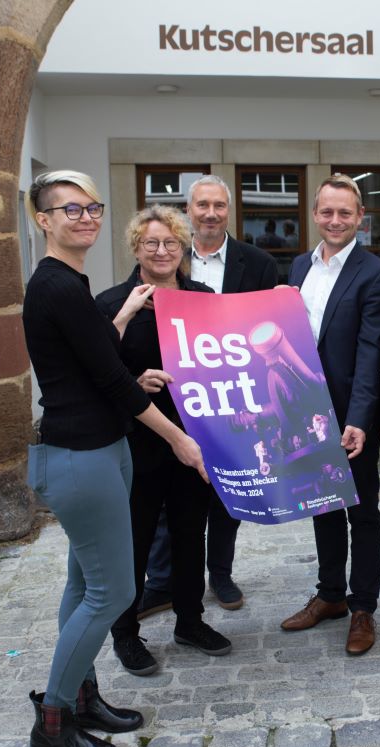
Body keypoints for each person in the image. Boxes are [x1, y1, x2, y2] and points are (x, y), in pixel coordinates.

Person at [21, 170, 206, 747]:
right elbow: (111, 380)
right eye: (68, 209)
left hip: (99, 450)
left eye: (91, 207)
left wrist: (121, 317)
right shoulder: (56, 286)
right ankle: (54, 718)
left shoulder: (71, 283)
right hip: (81, 455)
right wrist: (180, 439)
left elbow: (92, 352)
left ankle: (80, 692)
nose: (84, 217)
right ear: (43, 219)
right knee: (114, 589)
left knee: (82, 585)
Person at [96, 205, 233, 677]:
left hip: (194, 437)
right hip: (138, 439)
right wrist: (135, 381)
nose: (161, 251)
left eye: (171, 243)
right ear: (135, 247)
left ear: (183, 247)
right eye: (151, 243)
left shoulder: (201, 296)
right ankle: (126, 634)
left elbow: (226, 357)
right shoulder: (113, 301)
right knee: (132, 540)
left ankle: (190, 621)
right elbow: (95, 372)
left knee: (191, 531)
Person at [139, 175, 279, 616]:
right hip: (171, 395)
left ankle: (219, 572)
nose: (212, 213)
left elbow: (266, 320)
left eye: (220, 205)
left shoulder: (256, 263)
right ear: (188, 209)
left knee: (226, 487)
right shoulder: (169, 259)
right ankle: (163, 581)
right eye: (203, 205)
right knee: (169, 492)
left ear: (229, 210)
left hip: (232, 395)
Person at [281, 174, 380, 656]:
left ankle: (363, 607)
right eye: (327, 212)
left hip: (349, 413)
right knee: (321, 505)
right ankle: (330, 594)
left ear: (360, 218)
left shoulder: (376, 273)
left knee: (361, 512)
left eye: (344, 213)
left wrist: (361, 418)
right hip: (301, 411)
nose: (335, 220)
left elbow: (373, 351)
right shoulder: (296, 267)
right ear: (314, 214)